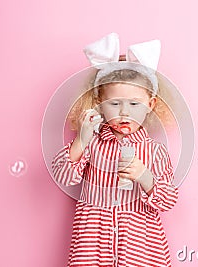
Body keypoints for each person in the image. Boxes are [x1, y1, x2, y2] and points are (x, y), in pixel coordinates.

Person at [51, 33, 179, 267]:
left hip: (141, 247)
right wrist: (81, 139)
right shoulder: (93, 143)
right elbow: (62, 175)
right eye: (114, 103)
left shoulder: (154, 151)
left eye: (134, 104)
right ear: (99, 101)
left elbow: (168, 200)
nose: (124, 113)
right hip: (92, 245)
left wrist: (146, 177)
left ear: (150, 105)